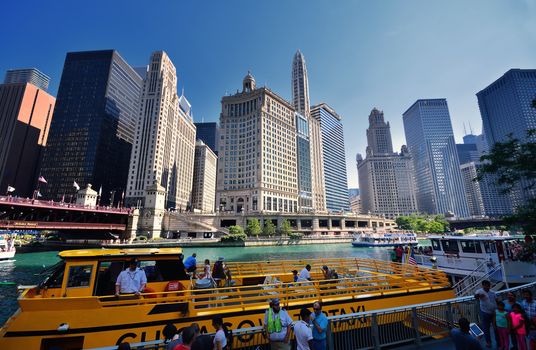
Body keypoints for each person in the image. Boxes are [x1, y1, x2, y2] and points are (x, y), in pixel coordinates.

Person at [475, 280, 497, 348]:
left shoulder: (493, 292)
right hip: (485, 312)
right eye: (485, 285)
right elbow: (475, 296)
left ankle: (498, 340)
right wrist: (479, 295)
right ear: (483, 285)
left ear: (489, 285)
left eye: (488, 285)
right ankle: (488, 342)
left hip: (494, 312)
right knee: (486, 328)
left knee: (496, 327)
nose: (486, 286)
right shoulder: (479, 291)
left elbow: (497, 300)